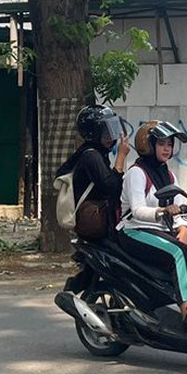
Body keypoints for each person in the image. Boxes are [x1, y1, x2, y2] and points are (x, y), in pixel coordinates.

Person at [117, 120, 187, 319]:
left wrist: (183, 229)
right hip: (135, 231)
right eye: (162, 143)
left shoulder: (169, 175)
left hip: (164, 230)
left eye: (170, 144)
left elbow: (181, 207)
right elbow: (137, 211)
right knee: (179, 252)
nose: (167, 148)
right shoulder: (137, 173)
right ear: (149, 145)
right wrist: (162, 210)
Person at [53, 105, 127, 321]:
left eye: (111, 130)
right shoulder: (91, 156)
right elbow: (110, 186)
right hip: (94, 220)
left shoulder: (95, 154)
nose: (110, 136)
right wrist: (121, 157)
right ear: (94, 133)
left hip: (98, 217)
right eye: (105, 131)